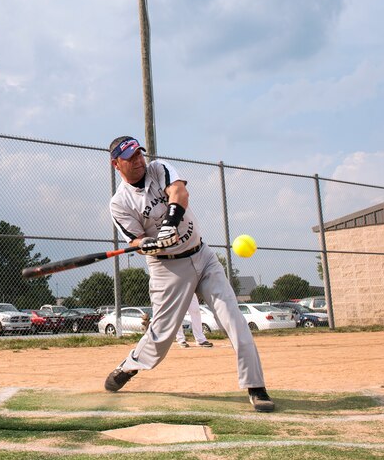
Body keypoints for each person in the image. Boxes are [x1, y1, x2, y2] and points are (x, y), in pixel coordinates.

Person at [103, 136, 274, 412]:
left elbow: (180, 194)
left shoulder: (159, 169)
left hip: (202, 256)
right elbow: (134, 242)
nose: (138, 161)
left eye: (139, 155)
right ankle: (130, 365)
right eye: (130, 157)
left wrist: (170, 225)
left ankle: (256, 386)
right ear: (116, 164)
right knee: (161, 336)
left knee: (234, 319)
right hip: (167, 268)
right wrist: (147, 243)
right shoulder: (119, 203)